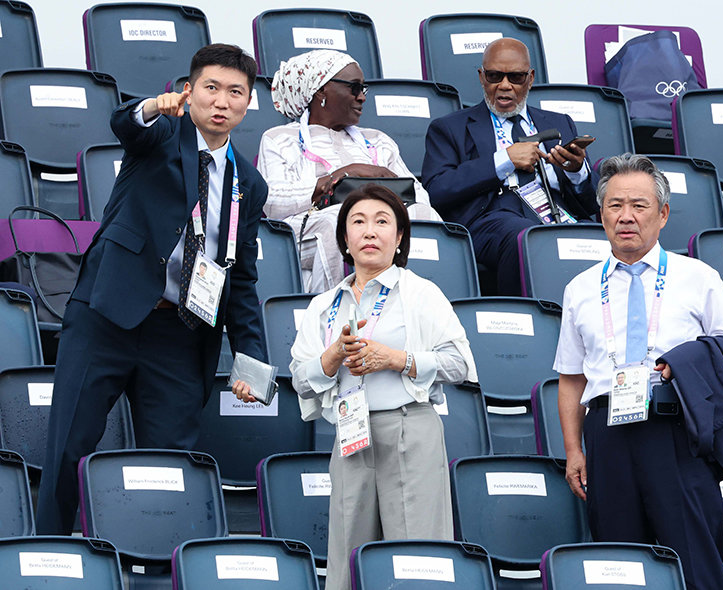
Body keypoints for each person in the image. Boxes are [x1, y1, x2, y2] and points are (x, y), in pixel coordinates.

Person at [36, 44, 267, 535]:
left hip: (180, 334)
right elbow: (127, 125)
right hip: (108, 315)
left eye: (235, 92)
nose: (221, 101)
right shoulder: (162, 134)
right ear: (188, 91)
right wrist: (148, 107)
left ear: (248, 104)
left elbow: (241, 277)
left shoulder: (249, 183)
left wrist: (250, 358)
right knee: (69, 448)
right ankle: (47, 551)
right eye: (210, 88)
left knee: (170, 468)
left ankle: (156, 561)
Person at [554, 154, 723, 590]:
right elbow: (570, 378)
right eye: (615, 205)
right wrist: (574, 451)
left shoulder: (698, 276)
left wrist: (685, 361)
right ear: (601, 213)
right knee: (619, 566)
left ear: (662, 214)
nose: (626, 217)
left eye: (639, 206)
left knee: (696, 561)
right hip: (607, 432)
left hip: (676, 429)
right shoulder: (580, 288)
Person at [281, 185, 475, 590]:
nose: (370, 231)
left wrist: (396, 359)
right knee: (347, 560)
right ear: (344, 240)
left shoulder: (421, 293)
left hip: (410, 428)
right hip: (350, 435)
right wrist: (332, 357)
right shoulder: (324, 305)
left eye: (383, 222)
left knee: (416, 558)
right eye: (358, 222)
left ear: (400, 237)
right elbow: (300, 377)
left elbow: (460, 365)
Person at [422, 37, 598, 295]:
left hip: (557, 213)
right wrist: (504, 160)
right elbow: (436, 190)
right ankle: (527, 317)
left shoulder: (559, 123)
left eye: (515, 77)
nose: (504, 86)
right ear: (482, 77)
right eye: (495, 76)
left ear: (530, 78)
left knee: (606, 235)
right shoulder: (450, 127)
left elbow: (591, 203)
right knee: (525, 236)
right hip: (491, 218)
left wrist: (577, 172)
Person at [258, 49, 440, 293]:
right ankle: (334, 314)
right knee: (338, 220)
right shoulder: (279, 139)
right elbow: (271, 202)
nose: (362, 97)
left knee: (423, 213)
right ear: (321, 89)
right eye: (354, 88)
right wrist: (339, 177)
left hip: (377, 222)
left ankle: (417, 305)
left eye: (364, 89)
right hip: (306, 230)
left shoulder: (377, 140)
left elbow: (419, 194)